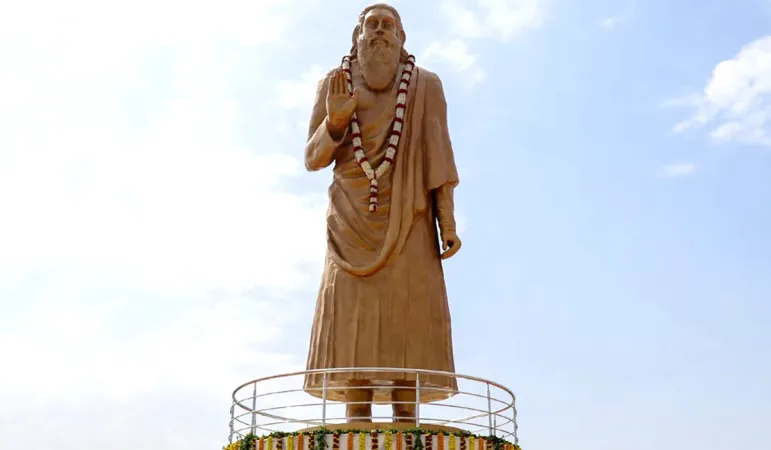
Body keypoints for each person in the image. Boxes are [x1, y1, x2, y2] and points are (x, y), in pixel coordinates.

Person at [303, 3, 462, 423]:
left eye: (387, 26)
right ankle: (357, 413)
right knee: (352, 313)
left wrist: (447, 222)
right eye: (370, 25)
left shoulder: (426, 85)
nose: (378, 32)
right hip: (349, 219)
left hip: (410, 215)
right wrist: (335, 122)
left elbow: (439, 157)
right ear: (357, 37)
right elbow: (313, 158)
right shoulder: (334, 83)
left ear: (401, 38)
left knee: (408, 312)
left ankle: (405, 416)